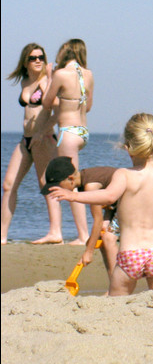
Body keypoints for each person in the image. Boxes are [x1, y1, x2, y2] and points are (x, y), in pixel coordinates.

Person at [48, 113, 153, 296]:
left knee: (117, 307)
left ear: (128, 148)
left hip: (130, 255)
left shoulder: (123, 175)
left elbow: (107, 197)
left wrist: (73, 196)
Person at [32, 38, 94, 245]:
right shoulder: (88, 75)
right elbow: (88, 106)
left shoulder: (60, 74)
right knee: (74, 181)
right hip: (83, 131)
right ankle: (82, 233)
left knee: (71, 185)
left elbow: (47, 103)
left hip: (67, 132)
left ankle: (83, 235)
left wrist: (50, 77)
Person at [1, 43, 63, 244]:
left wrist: (43, 131)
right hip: (25, 140)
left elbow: (59, 111)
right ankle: (2, 235)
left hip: (43, 139)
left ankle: (56, 233)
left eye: (41, 57)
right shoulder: (25, 81)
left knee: (46, 184)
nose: (37, 61)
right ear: (25, 62)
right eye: (33, 58)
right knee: (8, 184)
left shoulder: (47, 81)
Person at [41, 156, 120, 281]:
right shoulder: (85, 178)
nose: (59, 190)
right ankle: (113, 283)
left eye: (59, 186)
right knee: (101, 240)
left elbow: (97, 220)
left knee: (108, 239)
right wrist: (105, 221)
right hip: (118, 207)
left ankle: (118, 284)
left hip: (134, 203)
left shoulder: (90, 186)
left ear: (70, 179)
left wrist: (89, 252)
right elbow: (108, 205)